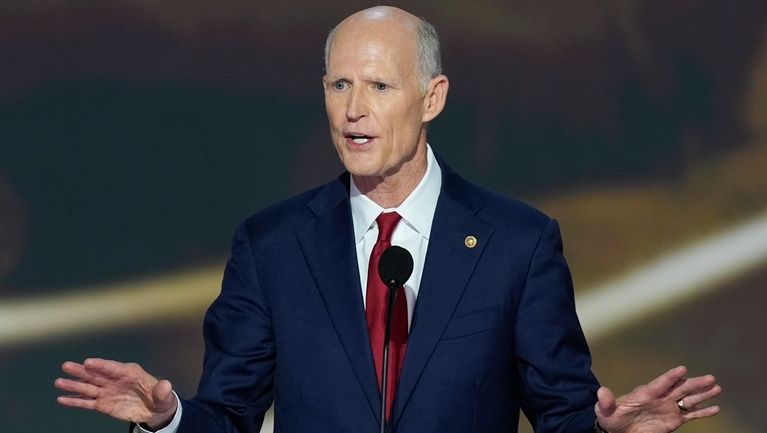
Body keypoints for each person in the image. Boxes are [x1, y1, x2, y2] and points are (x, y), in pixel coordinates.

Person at [55, 6, 722, 433]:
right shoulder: (273, 246)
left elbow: (564, 414)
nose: (353, 109)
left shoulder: (516, 243)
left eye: (377, 85)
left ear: (432, 97)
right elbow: (229, 416)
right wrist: (168, 418)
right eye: (338, 85)